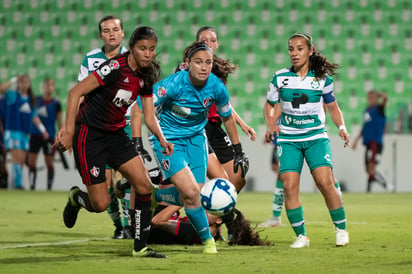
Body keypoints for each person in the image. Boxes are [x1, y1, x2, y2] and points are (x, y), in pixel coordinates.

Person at [56, 26, 174, 258]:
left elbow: (149, 116)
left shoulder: (146, 75)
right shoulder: (114, 67)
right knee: (99, 204)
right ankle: (76, 198)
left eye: (151, 49)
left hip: (116, 135)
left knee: (143, 186)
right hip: (89, 135)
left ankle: (140, 247)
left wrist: (162, 139)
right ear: (131, 48)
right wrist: (69, 131)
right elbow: (75, 93)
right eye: (142, 49)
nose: (148, 54)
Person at [146, 41, 248, 254]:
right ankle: (208, 242)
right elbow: (143, 106)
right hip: (168, 141)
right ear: (187, 63)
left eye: (208, 62)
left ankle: (155, 195)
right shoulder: (173, 84)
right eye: (198, 62)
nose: (204, 67)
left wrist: (238, 149)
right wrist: (137, 138)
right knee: (192, 193)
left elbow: (227, 117)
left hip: (196, 140)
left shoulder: (216, 86)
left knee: (196, 193)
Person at [264, 32, 350, 248]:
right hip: (288, 140)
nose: (294, 53)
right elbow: (269, 105)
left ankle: (341, 229)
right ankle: (301, 236)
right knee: (289, 186)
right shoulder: (279, 77)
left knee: (324, 182)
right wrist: (270, 123)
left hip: (315, 138)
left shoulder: (322, 79)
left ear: (310, 51)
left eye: (300, 48)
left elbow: (332, 106)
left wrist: (341, 127)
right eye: (291, 49)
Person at [77, 15, 132, 239]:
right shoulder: (91, 59)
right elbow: (80, 93)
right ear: (101, 35)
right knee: (107, 180)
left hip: (124, 125)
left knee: (128, 178)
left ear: (122, 33)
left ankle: (130, 224)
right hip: (97, 126)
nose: (111, 33)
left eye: (115, 29)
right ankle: (119, 226)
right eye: (106, 30)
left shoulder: (131, 59)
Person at [0, 75, 48, 189]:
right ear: (18, 83)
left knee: (21, 160)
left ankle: (17, 182)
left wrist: (43, 130)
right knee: (16, 157)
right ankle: (18, 184)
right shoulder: (13, 96)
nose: (24, 84)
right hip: (12, 131)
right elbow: (2, 89)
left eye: (26, 81)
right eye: (21, 82)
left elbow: (34, 116)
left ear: (29, 84)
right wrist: (14, 79)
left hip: (25, 133)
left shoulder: (31, 100)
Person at [148, 204, 272, 246]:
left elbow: (156, 221)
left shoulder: (194, 230)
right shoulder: (215, 233)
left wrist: (183, 199)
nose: (203, 209)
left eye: (208, 210)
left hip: (147, 228)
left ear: (218, 220)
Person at [352, 90, 391, 192]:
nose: (371, 99)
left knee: (371, 167)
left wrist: (384, 96)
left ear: (376, 98)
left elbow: (385, 101)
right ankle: (371, 189)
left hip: (376, 142)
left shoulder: (379, 109)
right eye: (369, 97)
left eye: (373, 97)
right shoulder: (366, 110)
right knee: (368, 169)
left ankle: (386, 186)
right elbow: (364, 127)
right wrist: (356, 140)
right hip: (368, 142)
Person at [27, 78, 62, 190]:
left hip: (50, 137)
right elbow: (33, 116)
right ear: (43, 86)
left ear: (53, 87)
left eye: (51, 85)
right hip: (35, 134)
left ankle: (49, 188)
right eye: (46, 85)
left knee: (49, 163)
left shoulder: (56, 103)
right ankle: (32, 186)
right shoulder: (36, 100)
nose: (48, 87)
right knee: (31, 162)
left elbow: (59, 122)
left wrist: (60, 137)